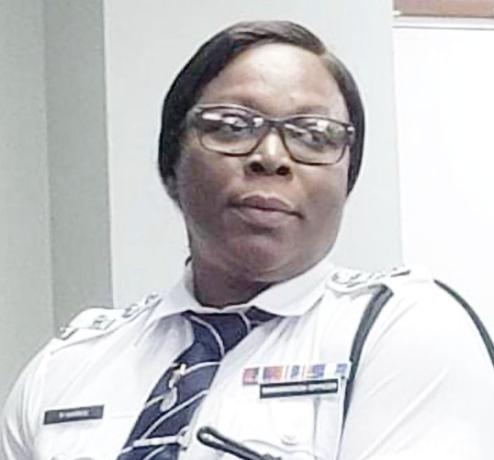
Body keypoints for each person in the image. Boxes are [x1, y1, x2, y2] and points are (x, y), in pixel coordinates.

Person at [1, 20, 493, 460]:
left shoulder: (403, 332)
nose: (272, 157)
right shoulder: (69, 365)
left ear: (347, 179)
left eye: (314, 135)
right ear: (171, 163)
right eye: (233, 127)